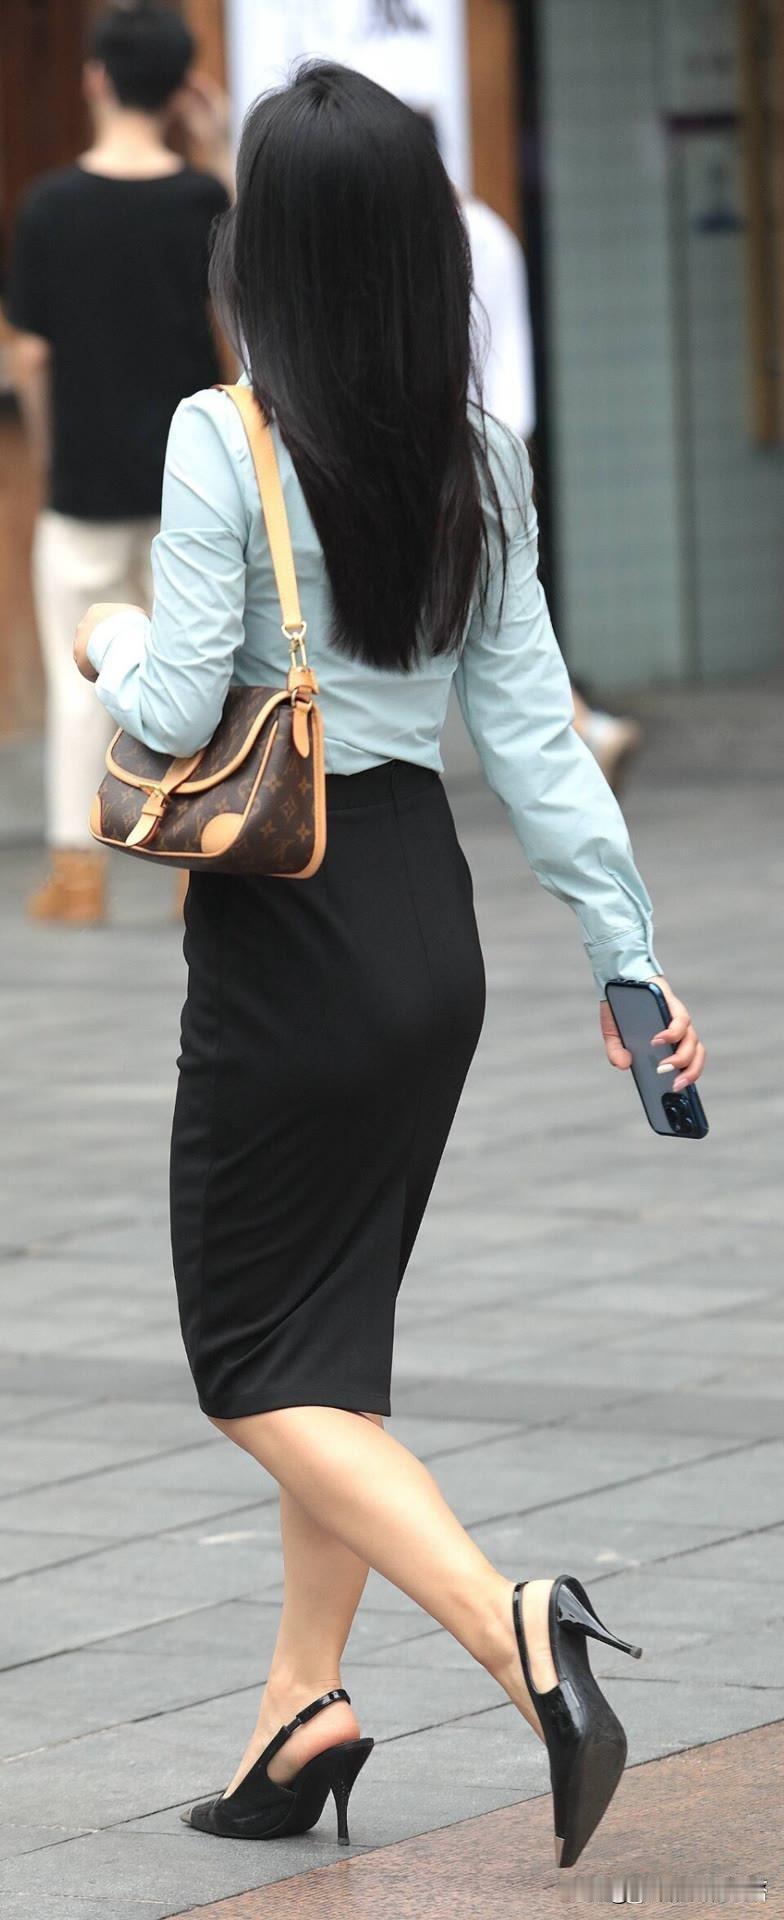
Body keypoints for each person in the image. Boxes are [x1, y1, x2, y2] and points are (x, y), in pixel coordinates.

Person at [73, 64, 705, 1869]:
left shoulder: (226, 437)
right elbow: (537, 739)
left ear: (265, 250)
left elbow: (171, 708)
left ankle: (515, 1632)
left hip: (292, 934)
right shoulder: (475, 454)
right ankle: (301, 1708)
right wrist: (628, 959)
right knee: (331, 1340)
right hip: (428, 926)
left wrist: (107, 637)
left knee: (246, 1364)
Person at [5, 2, 232, 925]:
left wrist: (51, 452)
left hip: (85, 487)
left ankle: (76, 873)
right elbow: (244, 297)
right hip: (190, 485)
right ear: (181, 90)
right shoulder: (203, 199)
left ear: (95, 78)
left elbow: (30, 355)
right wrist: (217, 148)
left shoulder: (48, 206)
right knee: (201, 671)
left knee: (79, 680)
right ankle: (197, 857)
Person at [461, 174, 643, 792]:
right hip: (495, 437)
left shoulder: (455, 232)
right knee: (503, 613)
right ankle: (583, 730)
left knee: (498, 618)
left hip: (470, 443)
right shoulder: (487, 229)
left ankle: (581, 732)